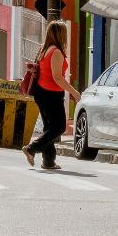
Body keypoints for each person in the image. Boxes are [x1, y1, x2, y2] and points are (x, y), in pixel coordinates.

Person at [22, 20, 81, 171]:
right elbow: (57, 78)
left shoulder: (44, 49)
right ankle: (32, 148)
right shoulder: (56, 52)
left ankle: (48, 161)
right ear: (61, 35)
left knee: (49, 127)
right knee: (59, 126)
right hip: (51, 94)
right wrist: (74, 92)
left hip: (41, 92)